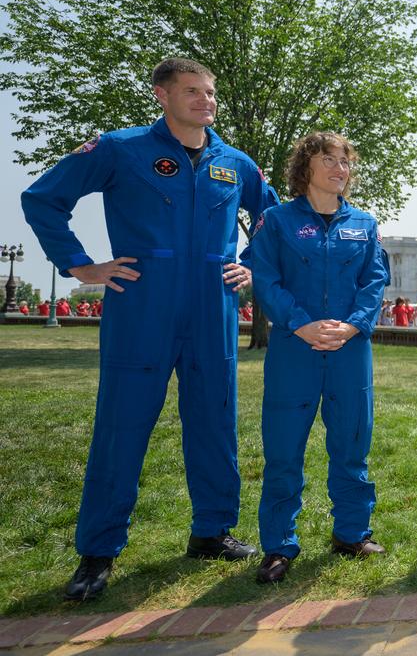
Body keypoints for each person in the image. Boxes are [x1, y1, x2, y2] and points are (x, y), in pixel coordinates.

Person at [21, 57, 277, 601]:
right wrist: (79, 265)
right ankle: (98, 550)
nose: (205, 101)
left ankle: (211, 531)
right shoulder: (120, 148)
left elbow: (271, 219)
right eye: (191, 91)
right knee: (122, 426)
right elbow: (43, 199)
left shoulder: (235, 161)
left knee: (215, 421)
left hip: (214, 307)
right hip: (141, 304)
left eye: (209, 92)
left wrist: (252, 261)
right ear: (161, 94)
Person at [250, 132, 388, 584]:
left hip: (350, 351)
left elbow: (374, 281)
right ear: (305, 167)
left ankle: (351, 532)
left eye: (345, 161)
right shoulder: (276, 220)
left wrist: (352, 325)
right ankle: (278, 544)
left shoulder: (364, 225)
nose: (339, 168)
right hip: (296, 349)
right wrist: (299, 322)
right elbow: (265, 278)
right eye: (328, 159)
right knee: (284, 450)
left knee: (351, 445)